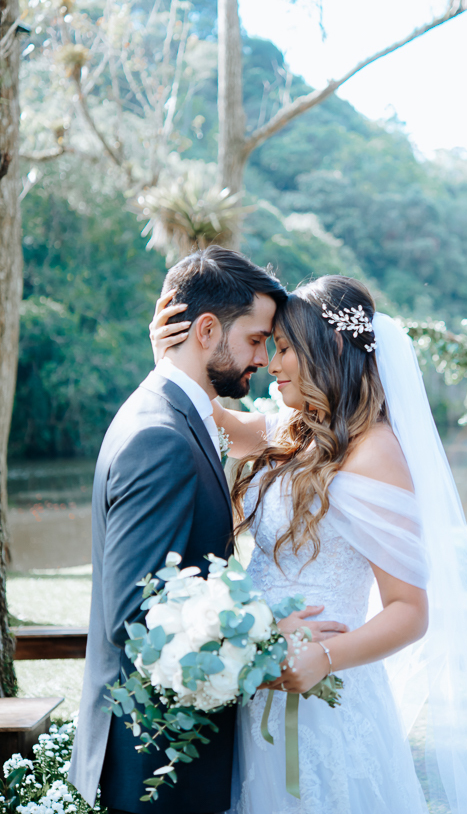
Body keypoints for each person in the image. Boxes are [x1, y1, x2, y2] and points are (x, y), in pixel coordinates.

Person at [152, 273, 467, 814]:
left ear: (330, 347)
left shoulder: (376, 452)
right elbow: (212, 416)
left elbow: (410, 611)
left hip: (328, 699)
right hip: (257, 686)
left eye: (285, 348)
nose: (270, 363)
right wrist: (169, 356)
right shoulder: (295, 429)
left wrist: (324, 659)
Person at [69, 248, 347, 814]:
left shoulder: (178, 414)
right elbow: (136, 615)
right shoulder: (160, 436)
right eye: (255, 339)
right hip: (159, 768)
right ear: (205, 330)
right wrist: (267, 632)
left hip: (176, 757)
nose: (264, 358)